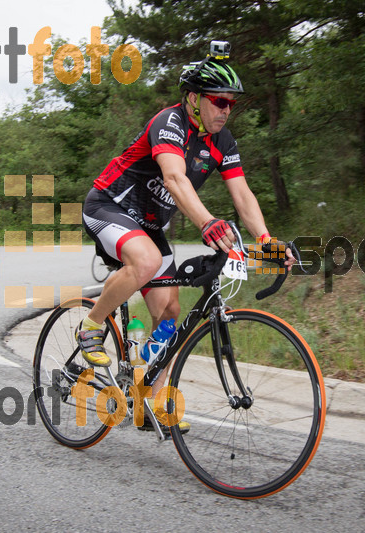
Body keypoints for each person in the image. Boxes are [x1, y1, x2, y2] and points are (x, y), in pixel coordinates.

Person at [79, 46, 295, 433]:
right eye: (219, 101)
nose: (227, 110)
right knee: (143, 263)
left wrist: (265, 240)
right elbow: (175, 178)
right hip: (108, 206)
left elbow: (242, 194)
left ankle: (146, 394)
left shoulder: (222, 141)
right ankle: (91, 325)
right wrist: (208, 222)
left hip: (148, 224)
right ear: (194, 98)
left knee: (170, 314)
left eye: (231, 104)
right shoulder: (169, 123)